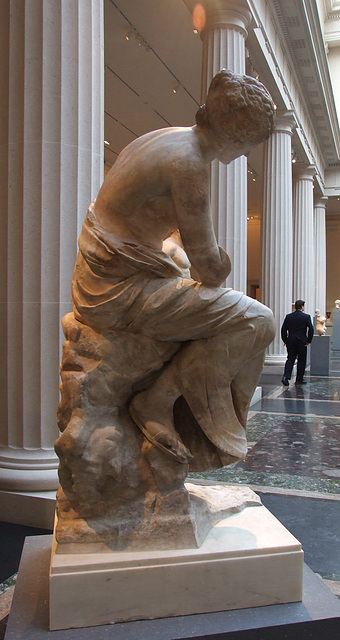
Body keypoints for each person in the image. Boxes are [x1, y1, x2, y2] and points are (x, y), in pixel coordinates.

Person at [71, 70, 276, 465]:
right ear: (237, 136)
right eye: (250, 144)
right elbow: (212, 270)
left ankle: (165, 400)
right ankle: (155, 401)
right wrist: (220, 258)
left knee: (177, 258)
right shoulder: (190, 164)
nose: (247, 152)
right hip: (117, 292)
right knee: (260, 321)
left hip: (105, 272)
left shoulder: (169, 137)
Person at [281, 300, 314, 386]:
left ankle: (286, 376)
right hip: (302, 341)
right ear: (302, 307)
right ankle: (299, 379)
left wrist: (285, 340)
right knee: (301, 360)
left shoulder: (289, 316)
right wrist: (308, 340)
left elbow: (283, 329)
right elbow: (311, 329)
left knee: (290, 359)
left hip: (291, 340)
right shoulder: (306, 317)